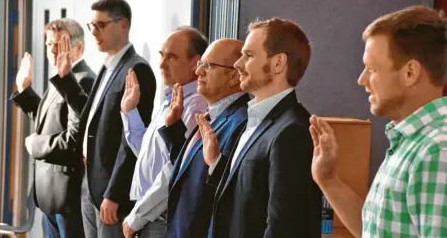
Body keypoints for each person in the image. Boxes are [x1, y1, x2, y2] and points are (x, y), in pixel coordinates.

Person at [310, 5, 447, 238]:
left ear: (410, 73)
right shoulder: (412, 143)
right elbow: (375, 231)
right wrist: (328, 179)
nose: (361, 80)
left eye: (371, 69)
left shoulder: (436, 151)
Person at [200, 18, 322, 238]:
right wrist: (216, 163)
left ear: (278, 63)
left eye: (249, 55)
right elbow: (248, 198)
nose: (238, 64)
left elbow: (284, 228)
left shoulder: (292, 131)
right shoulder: (253, 121)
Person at [50, 0, 156, 237]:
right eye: (92, 26)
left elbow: (130, 139)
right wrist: (65, 77)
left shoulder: (136, 68)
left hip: (110, 189)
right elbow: (88, 118)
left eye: (101, 25)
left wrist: (115, 193)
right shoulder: (108, 65)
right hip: (90, 180)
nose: (94, 32)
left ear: (123, 25)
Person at [10, 18, 95, 238]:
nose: (54, 51)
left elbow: (74, 140)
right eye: (50, 44)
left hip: (67, 198)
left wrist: (35, 145)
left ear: (79, 48)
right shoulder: (62, 78)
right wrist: (24, 90)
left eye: (61, 44)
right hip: (51, 198)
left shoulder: (83, 80)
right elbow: (48, 119)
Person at [120, 26, 208, 238]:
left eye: (171, 57)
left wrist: (136, 217)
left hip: (161, 216)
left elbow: (175, 168)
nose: (161, 64)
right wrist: (129, 111)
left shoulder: (196, 105)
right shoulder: (173, 97)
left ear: (196, 62)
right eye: (162, 55)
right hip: (151, 214)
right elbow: (147, 154)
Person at [158, 38, 249, 238]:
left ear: (234, 76)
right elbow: (191, 173)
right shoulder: (212, 115)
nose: (198, 71)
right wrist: (173, 129)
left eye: (208, 66)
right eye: (200, 64)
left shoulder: (241, 123)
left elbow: (225, 194)